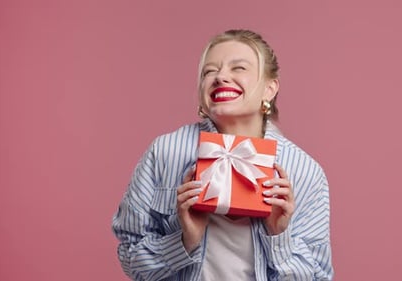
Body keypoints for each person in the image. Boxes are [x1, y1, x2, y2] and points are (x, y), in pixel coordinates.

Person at [112, 29, 334, 280]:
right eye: (209, 71)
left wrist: (278, 236)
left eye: (238, 68)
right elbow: (130, 256)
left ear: (269, 89)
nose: (220, 77)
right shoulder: (164, 152)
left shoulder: (305, 172)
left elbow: (318, 276)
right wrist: (184, 240)